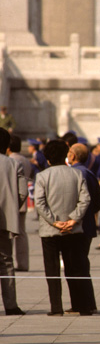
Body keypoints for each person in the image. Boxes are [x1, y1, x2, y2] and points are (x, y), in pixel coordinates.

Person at [34, 140, 92, 316]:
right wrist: (73, 219)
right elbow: (85, 199)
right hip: (72, 229)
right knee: (73, 268)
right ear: (65, 155)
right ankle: (81, 305)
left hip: (50, 230)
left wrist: (53, 221)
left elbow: (39, 202)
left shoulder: (43, 176)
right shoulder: (76, 174)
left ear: (47, 158)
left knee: (52, 270)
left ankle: (56, 307)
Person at [67, 142, 100, 313]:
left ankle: (82, 305)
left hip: (74, 227)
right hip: (87, 226)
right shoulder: (89, 173)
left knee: (75, 266)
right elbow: (98, 203)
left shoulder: (73, 174)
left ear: (73, 155)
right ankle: (89, 303)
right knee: (82, 265)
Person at [0, 129, 28, 315]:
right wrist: (12, 207)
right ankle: (11, 305)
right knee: (6, 261)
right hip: (4, 220)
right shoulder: (13, 163)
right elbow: (23, 192)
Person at [7, 135, 34, 272]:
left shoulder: (11, 161)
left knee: (9, 233)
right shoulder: (25, 159)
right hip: (22, 201)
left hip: (11, 201)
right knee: (22, 233)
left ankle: (8, 262)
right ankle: (23, 263)